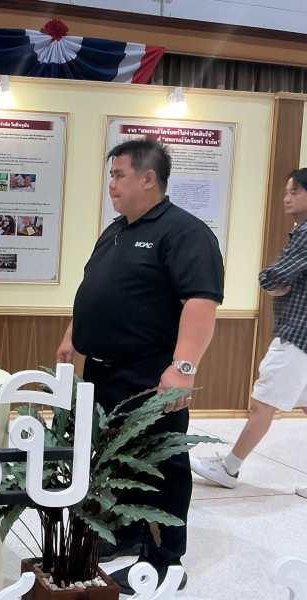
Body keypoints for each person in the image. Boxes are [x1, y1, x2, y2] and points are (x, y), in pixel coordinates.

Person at [55, 138, 224, 592]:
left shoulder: (184, 232)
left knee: (158, 466)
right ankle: (127, 533)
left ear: (149, 178)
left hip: (149, 374)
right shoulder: (115, 230)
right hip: (104, 371)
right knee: (115, 460)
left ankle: (165, 561)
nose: (111, 184)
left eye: (119, 175)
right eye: (111, 176)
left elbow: (201, 302)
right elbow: (96, 289)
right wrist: (73, 337)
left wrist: (183, 367)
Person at [191, 168, 307, 498]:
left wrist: (271, 281)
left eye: (294, 191)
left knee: (262, 403)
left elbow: (273, 277)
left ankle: (228, 468)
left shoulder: (304, 234)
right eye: (286, 191)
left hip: (297, 336)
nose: (286, 197)